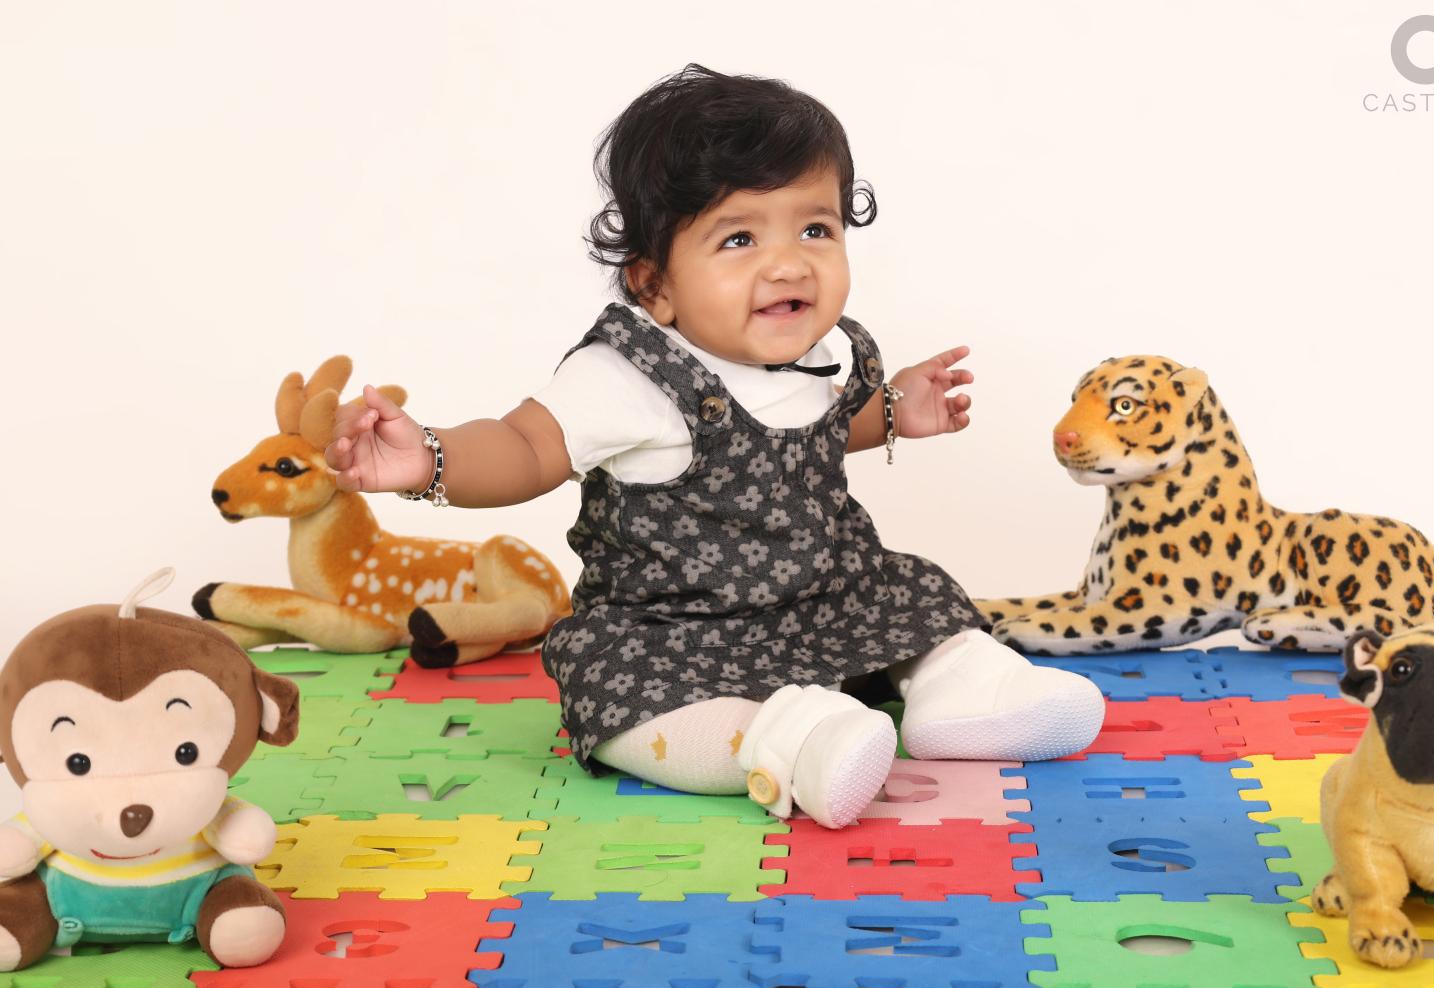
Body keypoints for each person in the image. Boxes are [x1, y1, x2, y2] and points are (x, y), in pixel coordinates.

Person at [325, 64, 1104, 829]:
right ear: (654, 285)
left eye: (815, 229)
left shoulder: (809, 354)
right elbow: (525, 446)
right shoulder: (626, 374)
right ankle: (789, 743)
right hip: (673, 636)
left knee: (913, 591)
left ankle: (963, 691)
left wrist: (893, 410)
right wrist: (431, 457)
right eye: (739, 237)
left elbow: (818, 430)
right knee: (620, 695)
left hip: (820, 601)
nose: (789, 262)